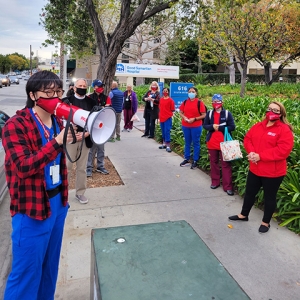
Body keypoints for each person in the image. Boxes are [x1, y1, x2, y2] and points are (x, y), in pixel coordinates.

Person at [2, 70, 74, 299]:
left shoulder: (57, 121)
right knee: (26, 274)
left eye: (59, 92)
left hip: (57, 204)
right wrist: (57, 142)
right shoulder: (16, 125)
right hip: (31, 210)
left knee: (49, 268)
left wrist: (73, 138)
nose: (55, 97)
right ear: (33, 95)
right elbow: (23, 166)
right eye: (49, 92)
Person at [229, 101, 294, 234]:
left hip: (273, 172)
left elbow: (283, 151)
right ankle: (243, 215)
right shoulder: (259, 126)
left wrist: (261, 156)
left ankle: (266, 222)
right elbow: (248, 139)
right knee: (249, 193)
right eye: (269, 109)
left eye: (275, 110)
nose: (271, 112)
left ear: (281, 114)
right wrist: (252, 153)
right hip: (255, 168)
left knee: (269, 197)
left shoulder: (283, 129)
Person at [65, 78, 97, 204]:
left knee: (81, 168)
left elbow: (96, 121)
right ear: (74, 87)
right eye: (80, 85)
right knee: (67, 167)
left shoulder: (92, 103)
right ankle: (64, 194)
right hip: (70, 138)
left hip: (85, 139)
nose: (82, 87)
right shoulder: (67, 102)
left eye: (84, 85)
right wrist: (70, 133)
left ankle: (80, 193)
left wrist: (86, 133)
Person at [203, 94, 236, 196]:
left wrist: (220, 128)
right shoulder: (209, 113)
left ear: (222, 102)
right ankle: (215, 182)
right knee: (214, 163)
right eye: (214, 101)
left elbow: (232, 127)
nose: (216, 103)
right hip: (212, 143)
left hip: (224, 143)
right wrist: (212, 126)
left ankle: (228, 187)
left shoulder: (227, 113)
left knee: (226, 165)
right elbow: (205, 125)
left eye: (218, 101)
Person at [86, 79, 111, 177]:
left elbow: (107, 109)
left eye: (102, 86)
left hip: (102, 126)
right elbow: (87, 110)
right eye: (99, 86)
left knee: (101, 148)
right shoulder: (89, 97)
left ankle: (100, 166)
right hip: (92, 126)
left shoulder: (107, 97)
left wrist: (100, 108)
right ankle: (89, 168)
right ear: (94, 87)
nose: (101, 88)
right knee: (91, 149)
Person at [178, 86, 206, 169]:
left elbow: (204, 114)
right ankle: (186, 158)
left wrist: (195, 119)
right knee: (187, 142)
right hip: (186, 125)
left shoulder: (199, 103)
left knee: (196, 143)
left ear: (196, 93)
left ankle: (195, 160)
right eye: (190, 91)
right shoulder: (185, 102)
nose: (191, 93)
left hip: (196, 126)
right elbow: (181, 112)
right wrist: (184, 117)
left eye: (193, 91)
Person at [158, 87, 175, 152]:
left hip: (167, 118)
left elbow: (172, 110)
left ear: (168, 92)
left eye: (166, 91)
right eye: (164, 91)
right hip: (161, 117)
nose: (165, 92)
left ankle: (168, 145)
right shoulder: (161, 99)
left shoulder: (171, 100)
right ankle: (164, 143)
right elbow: (160, 108)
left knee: (167, 131)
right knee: (163, 131)